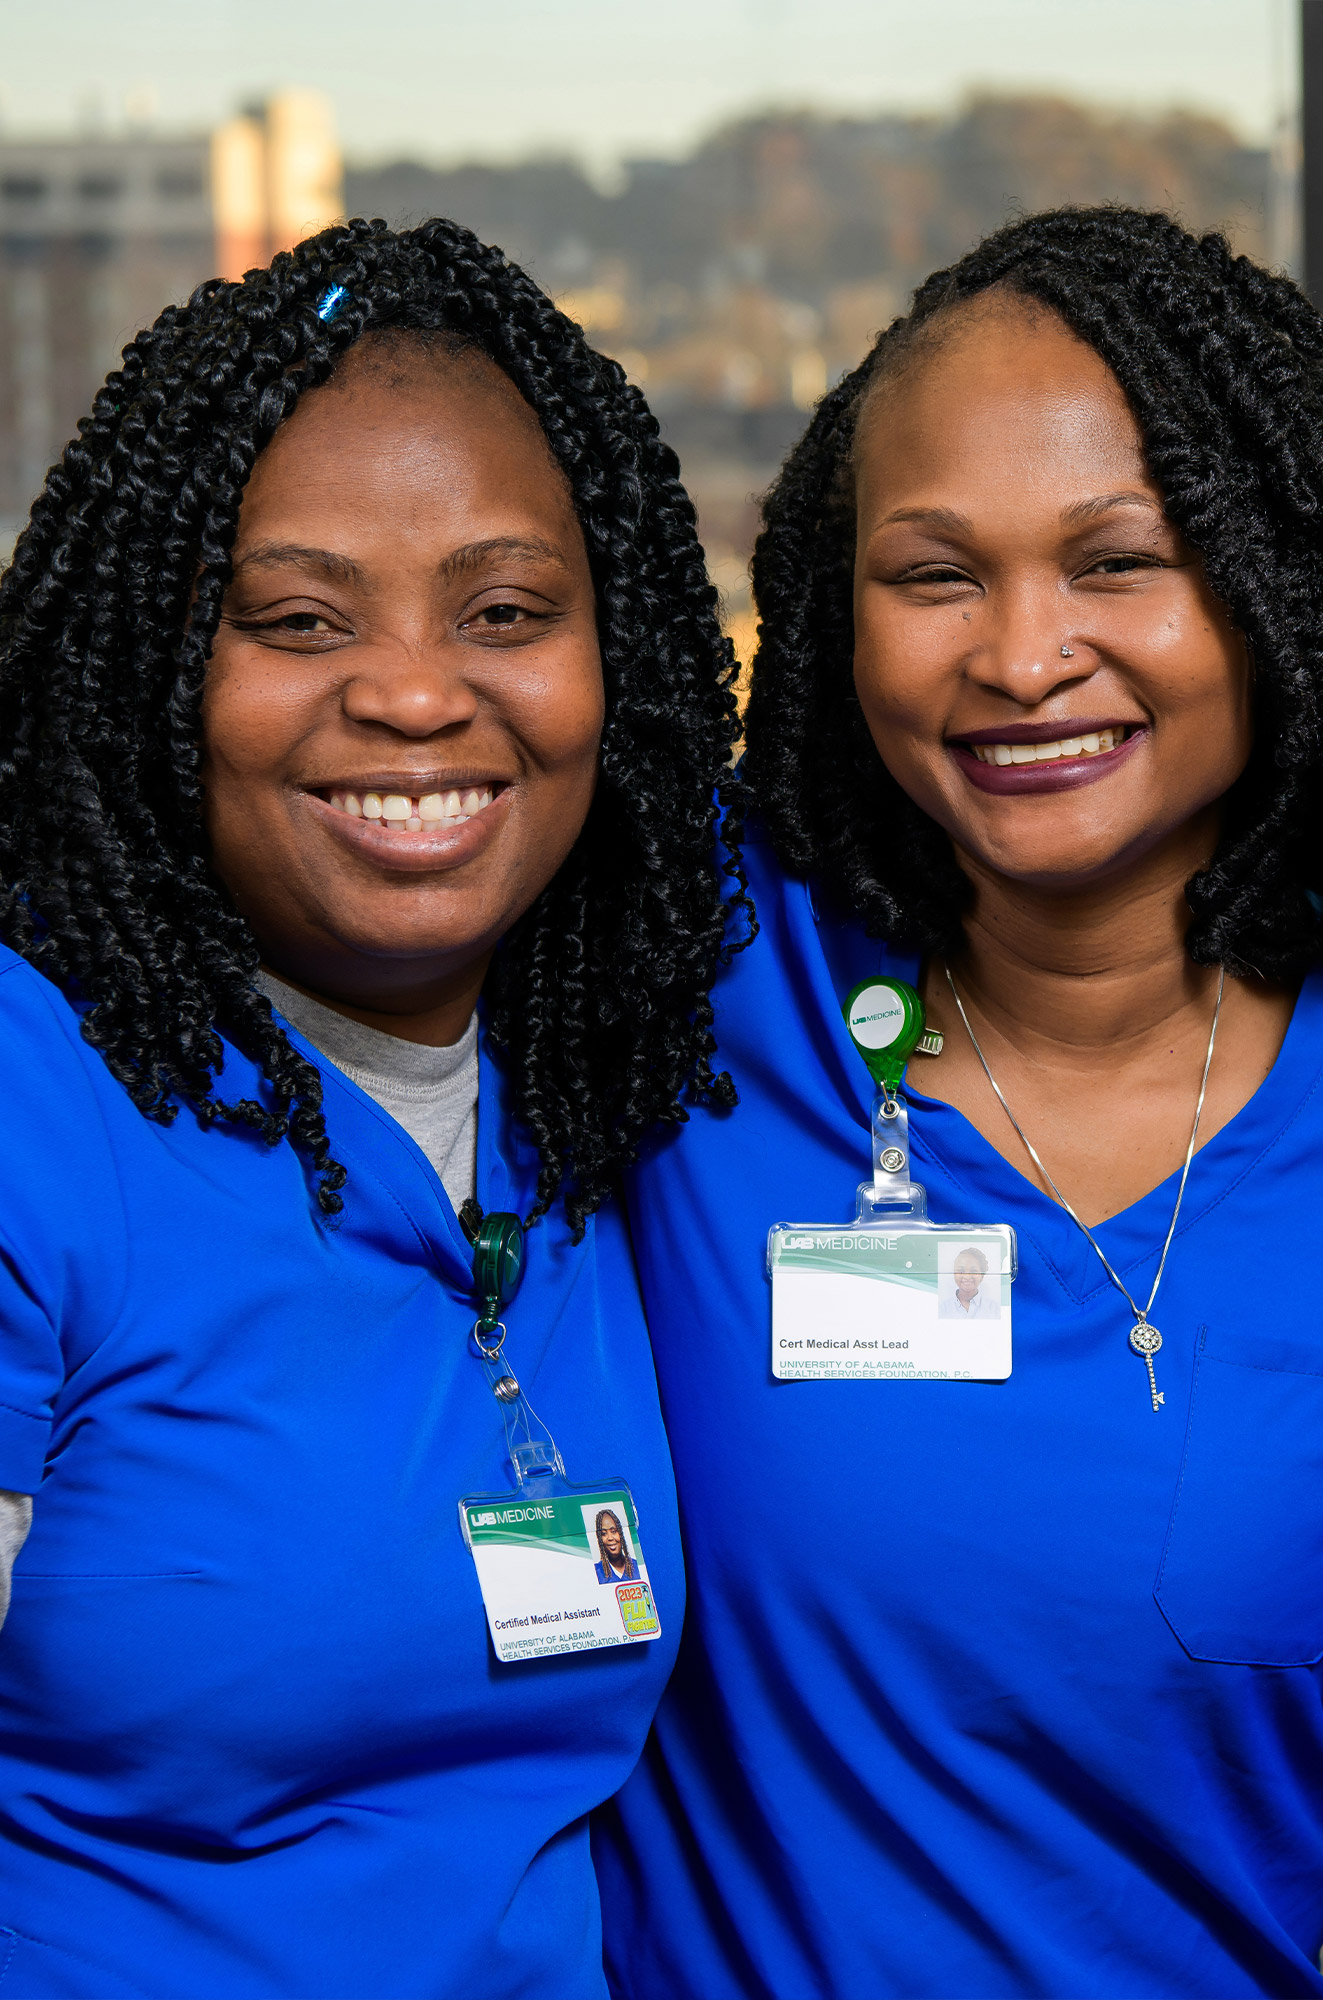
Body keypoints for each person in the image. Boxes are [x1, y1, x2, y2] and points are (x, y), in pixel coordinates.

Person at [595, 207, 1323, 1999]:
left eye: (1121, 561)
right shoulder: (677, 966)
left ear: (1267, 588)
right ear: (831, 603)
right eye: (936, 574)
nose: (1026, 657)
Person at [0, 218, 739, 1998]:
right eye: (299, 619)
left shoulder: (596, 1092)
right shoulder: (34, 1105)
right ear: (152, 666)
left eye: (503, 613)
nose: (415, 694)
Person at [944, 1245, 1000, 1319]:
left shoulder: (994, 1308)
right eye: (961, 1271)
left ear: (982, 1275)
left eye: (973, 1271)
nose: (967, 1277)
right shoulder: (943, 1308)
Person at [596, 1509, 643, 1583]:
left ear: (620, 1533)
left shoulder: (637, 1567)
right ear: (599, 1539)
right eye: (604, 1533)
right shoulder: (597, 1572)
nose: (610, 1538)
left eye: (614, 1531)